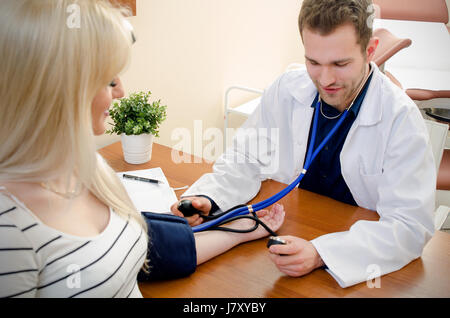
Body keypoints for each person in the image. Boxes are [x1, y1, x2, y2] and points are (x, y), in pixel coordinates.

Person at [0, 0, 284, 298]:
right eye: (108, 79)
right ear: (60, 87)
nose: (121, 91)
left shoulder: (88, 167)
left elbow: (145, 250)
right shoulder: (9, 229)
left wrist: (241, 229)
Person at [172, 0, 436, 288]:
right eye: (314, 62)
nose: (325, 79)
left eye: (340, 63)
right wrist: (209, 198)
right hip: (286, 235)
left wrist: (322, 253)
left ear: (370, 51)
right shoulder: (288, 89)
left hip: (355, 263)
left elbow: (409, 227)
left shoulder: (400, 119)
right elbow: (243, 159)